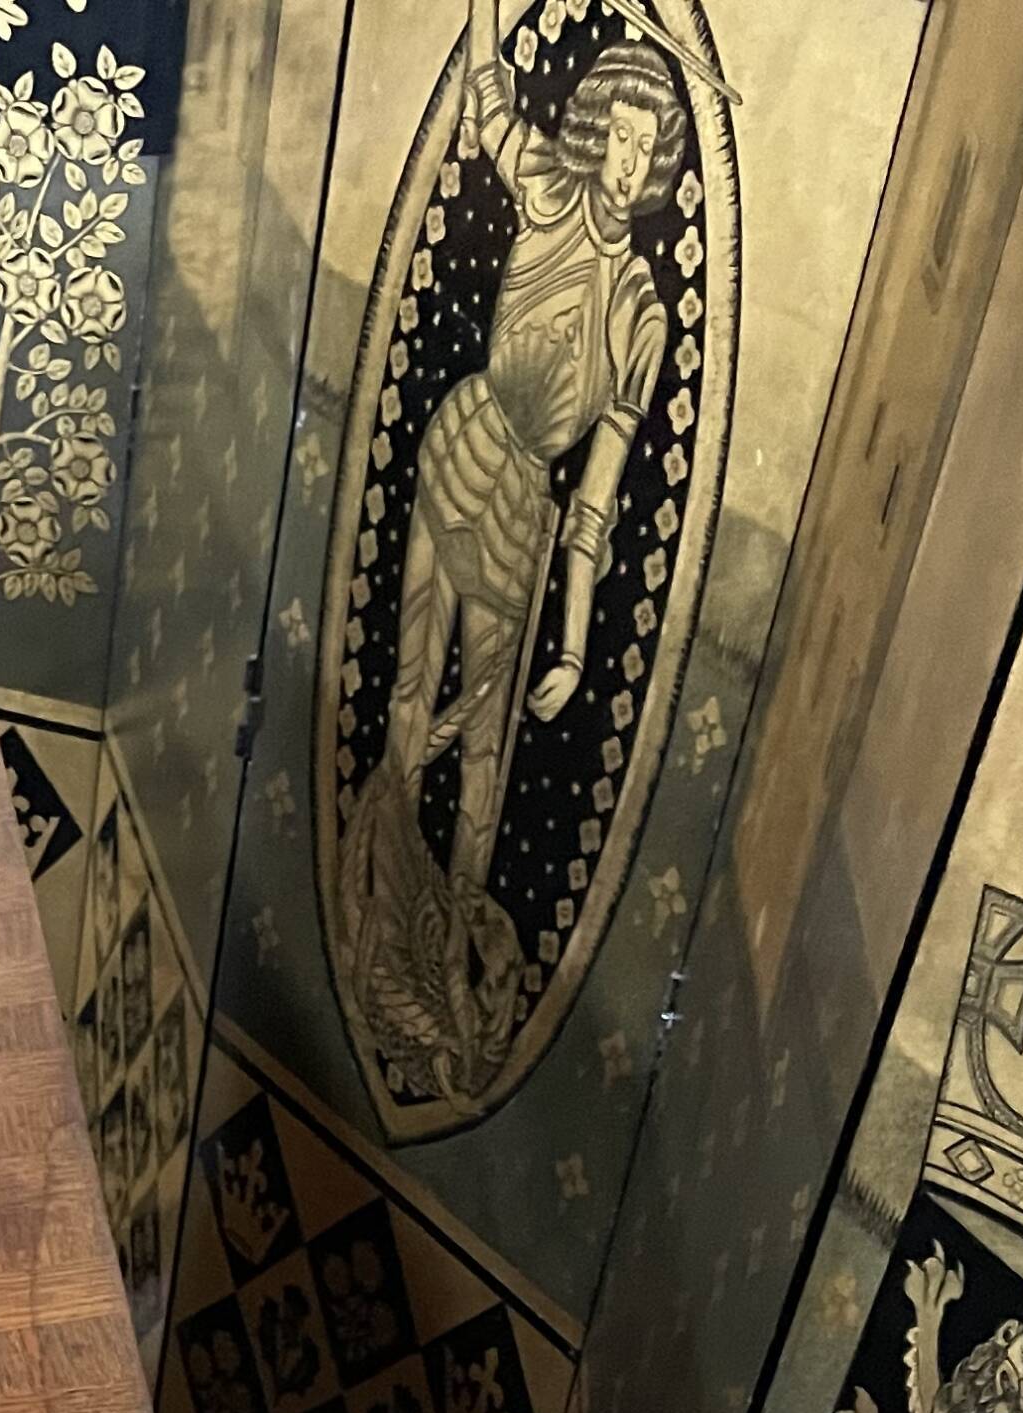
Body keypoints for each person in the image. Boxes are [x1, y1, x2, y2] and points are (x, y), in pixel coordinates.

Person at [336, 0, 683, 1103]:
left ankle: (447, 974)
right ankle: (378, 899)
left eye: (647, 147)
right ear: (595, 136)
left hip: (526, 502)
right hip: (458, 437)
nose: (627, 162)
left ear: (663, 162)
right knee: (407, 684)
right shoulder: (547, 189)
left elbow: (600, 497)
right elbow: (485, 91)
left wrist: (575, 647)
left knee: (483, 743)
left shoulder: (645, 311)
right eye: (618, 137)